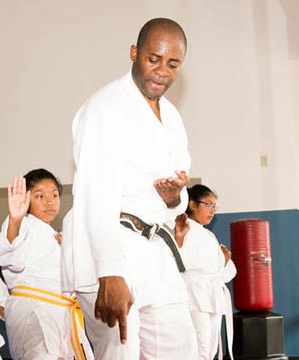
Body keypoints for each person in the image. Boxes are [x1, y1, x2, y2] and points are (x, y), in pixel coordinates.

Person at [61, 18, 198, 359]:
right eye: (154, 59)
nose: (161, 71)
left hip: (155, 246)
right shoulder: (105, 107)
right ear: (134, 53)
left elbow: (177, 193)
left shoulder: (171, 116)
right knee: (120, 352)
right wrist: (110, 271)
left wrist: (174, 198)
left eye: (172, 64)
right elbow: (95, 191)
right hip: (110, 245)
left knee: (182, 349)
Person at [0, 169, 92, 360]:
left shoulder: (53, 235)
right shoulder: (22, 223)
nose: (50, 202)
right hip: (35, 311)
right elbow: (10, 256)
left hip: (60, 312)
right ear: (26, 199)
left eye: (54, 195)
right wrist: (15, 220)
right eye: (40, 196)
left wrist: (66, 251)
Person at [174, 185, 236, 360]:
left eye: (214, 206)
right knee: (199, 344)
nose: (212, 211)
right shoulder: (181, 228)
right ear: (192, 204)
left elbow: (221, 271)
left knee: (210, 346)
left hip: (212, 293)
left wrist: (223, 260)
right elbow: (178, 261)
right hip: (193, 293)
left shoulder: (209, 236)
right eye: (208, 204)